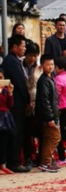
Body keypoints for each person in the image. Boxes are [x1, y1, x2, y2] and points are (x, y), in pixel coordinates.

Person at [1, 34, 31, 172]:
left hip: (17, 100)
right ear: (14, 47)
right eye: (22, 46)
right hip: (15, 101)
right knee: (16, 132)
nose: (24, 49)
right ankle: (14, 162)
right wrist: (27, 99)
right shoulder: (11, 61)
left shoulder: (14, 60)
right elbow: (19, 83)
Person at [35, 54, 61, 172]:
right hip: (48, 116)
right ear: (42, 66)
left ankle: (48, 161)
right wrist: (50, 117)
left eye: (52, 64)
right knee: (53, 137)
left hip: (52, 114)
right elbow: (44, 100)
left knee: (51, 138)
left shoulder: (50, 79)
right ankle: (46, 163)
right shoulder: (44, 80)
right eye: (47, 64)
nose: (50, 67)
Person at [0, 69, 16, 174]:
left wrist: (10, 93)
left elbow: (10, 105)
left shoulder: (6, 90)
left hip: (5, 117)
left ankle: (3, 165)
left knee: (4, 141)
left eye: (1, 78)